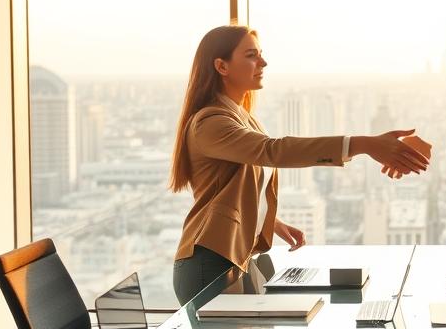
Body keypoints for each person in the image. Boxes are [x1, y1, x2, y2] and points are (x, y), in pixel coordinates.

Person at [168, 24, 430, 302]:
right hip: (209, 262)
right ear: (221, 66)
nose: (263, 62)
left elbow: (234, 190)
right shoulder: (211, 122)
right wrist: (364, 144)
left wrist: (272, 223)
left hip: (232, 257)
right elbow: (274, 151)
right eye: (251, 55)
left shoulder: (241, 118)